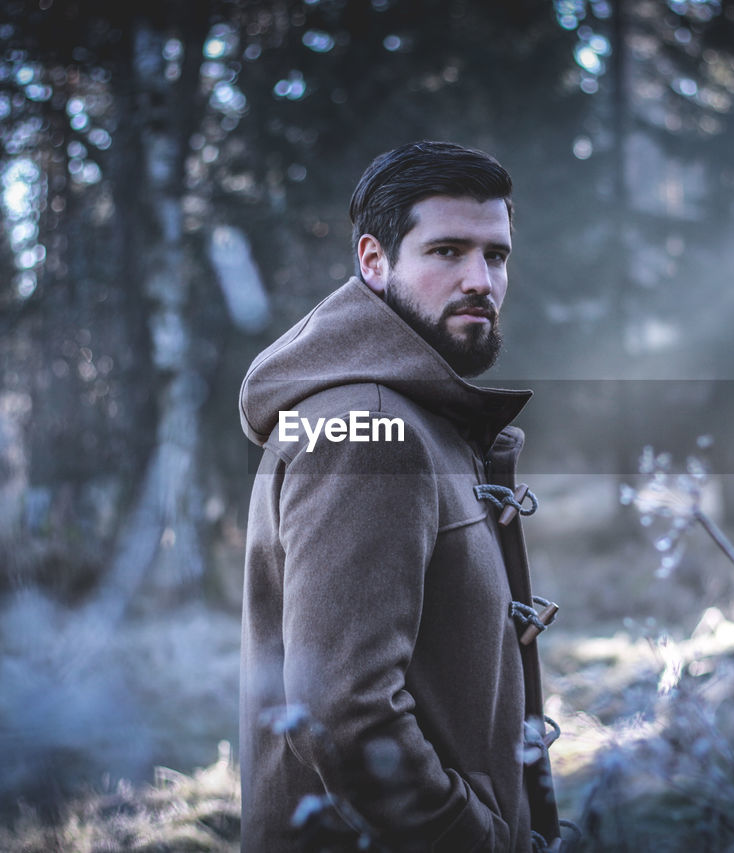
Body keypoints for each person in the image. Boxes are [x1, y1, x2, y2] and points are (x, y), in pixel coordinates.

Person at [238, 141, 562, 852]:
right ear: (374, 261)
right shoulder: (369, 431)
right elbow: (344, 710)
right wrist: (473, 838)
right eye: (446, 251)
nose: (480, 279)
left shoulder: (412, 417)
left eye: (497, 255)